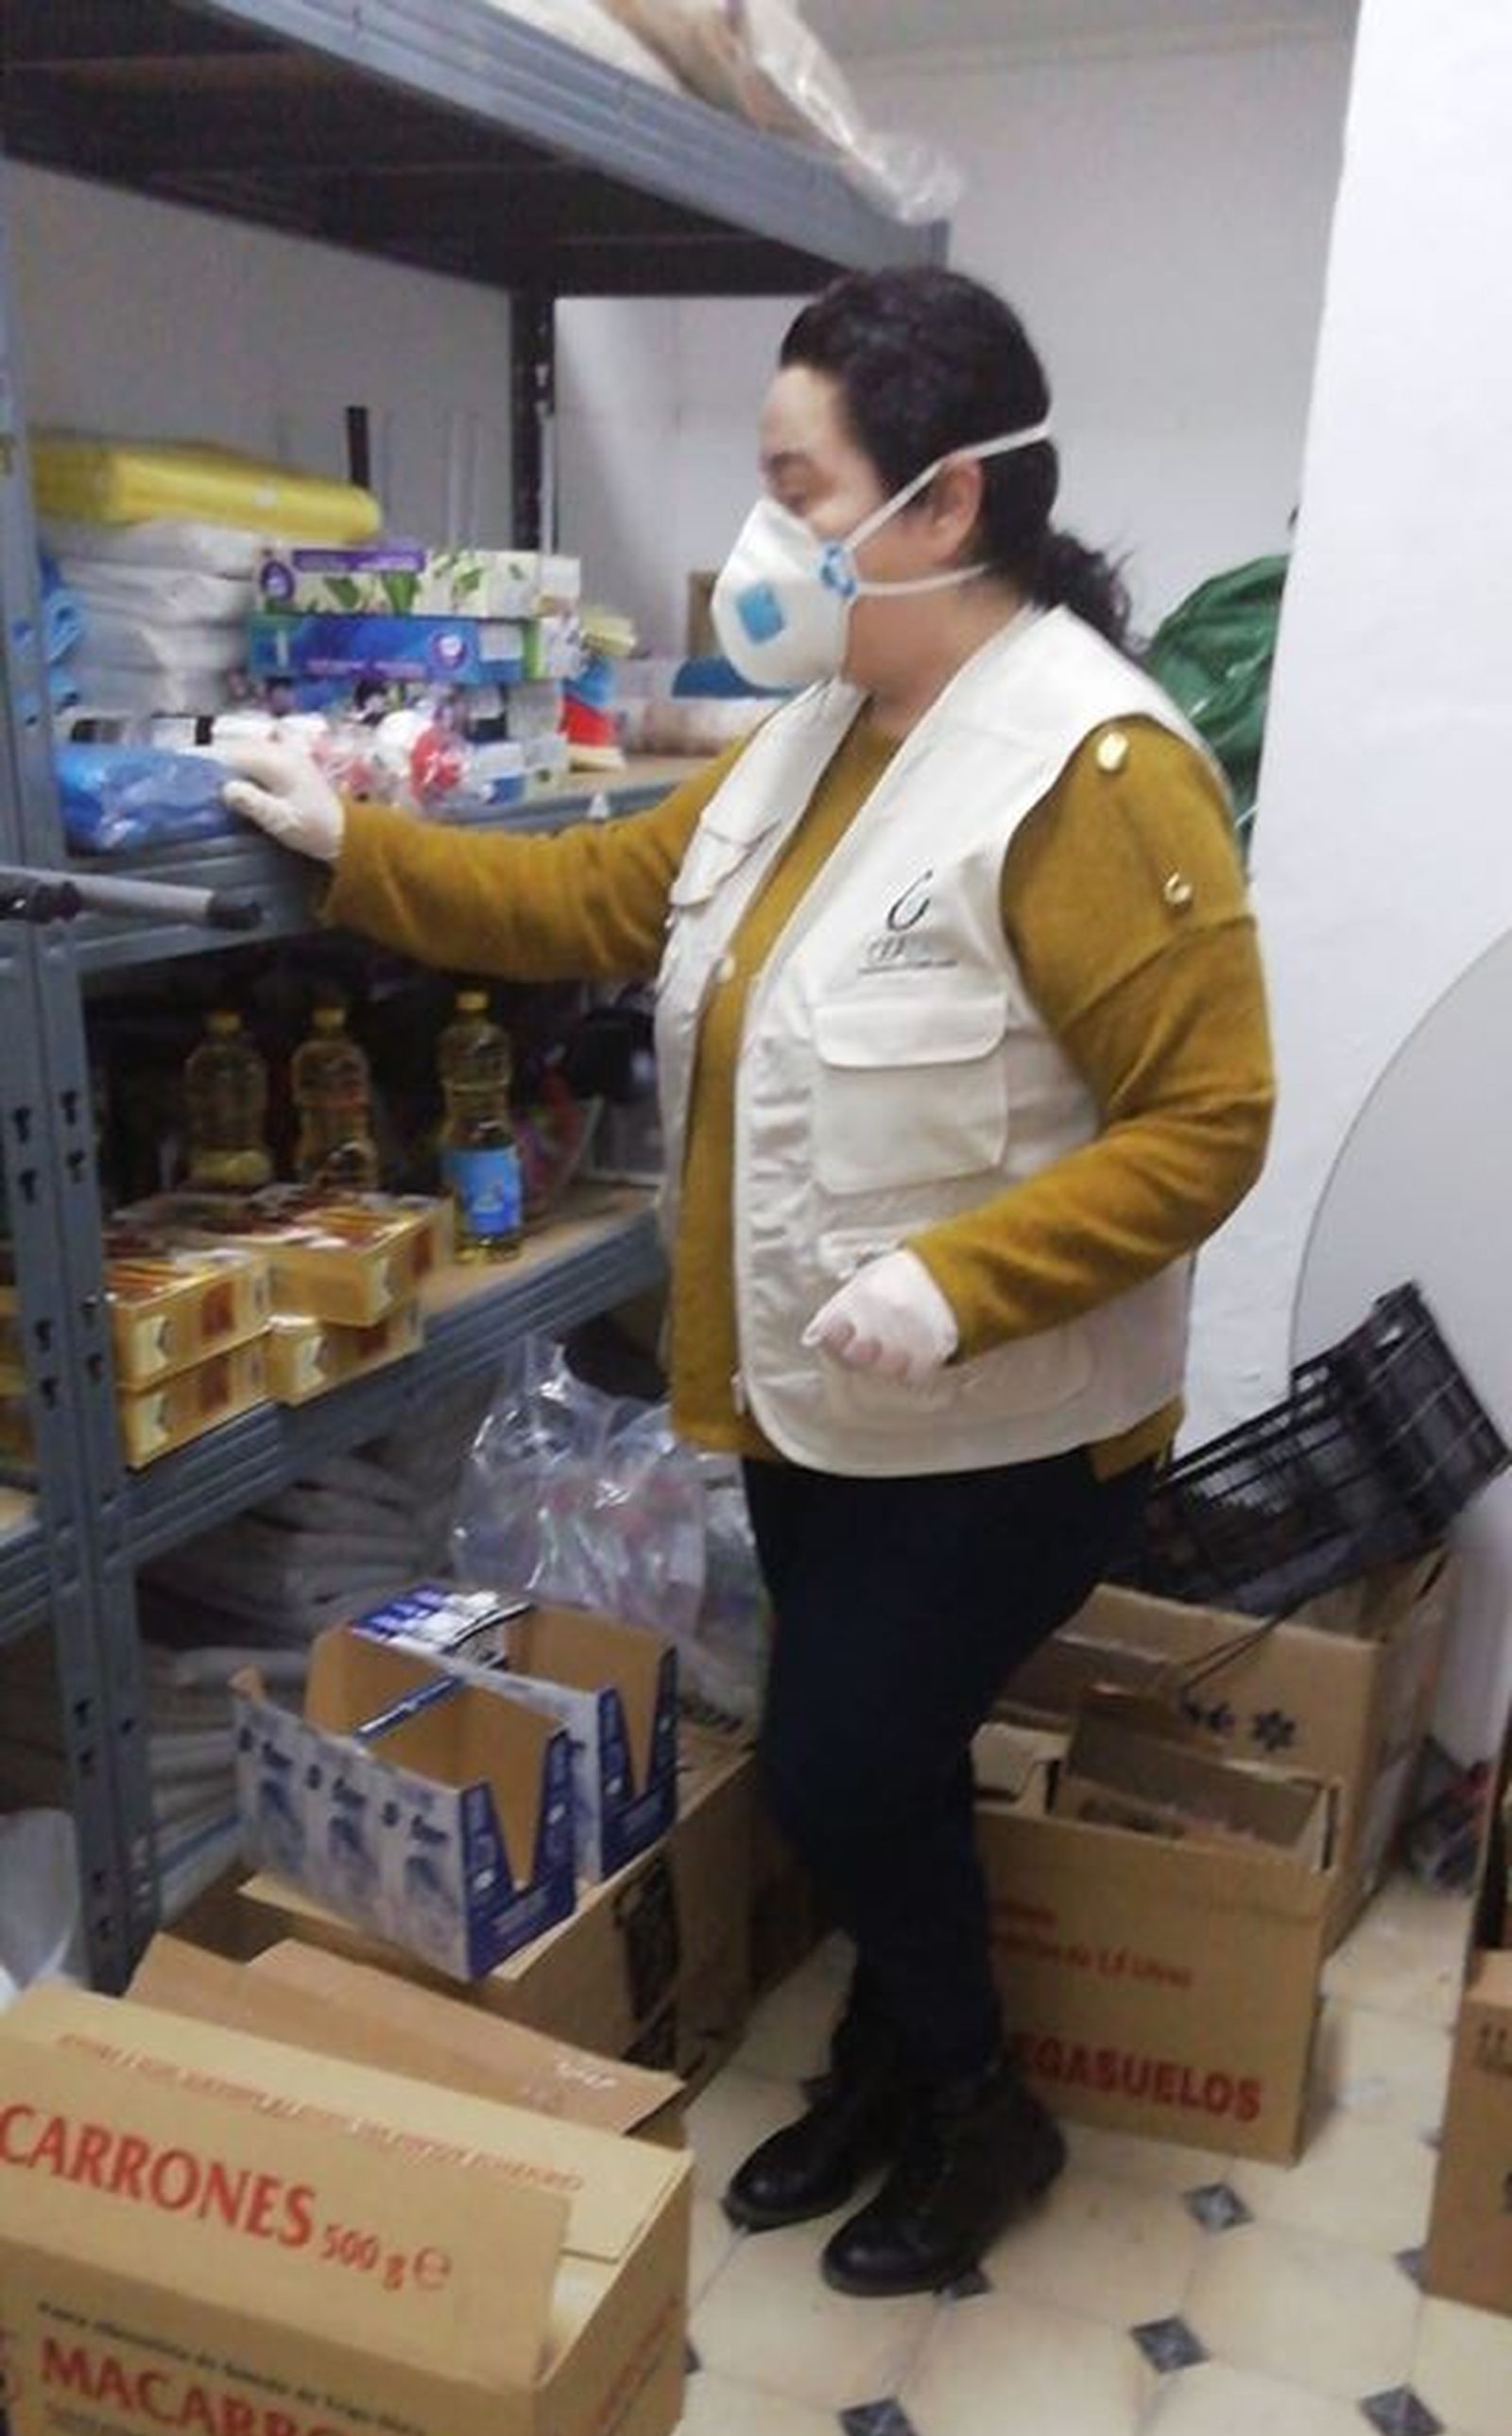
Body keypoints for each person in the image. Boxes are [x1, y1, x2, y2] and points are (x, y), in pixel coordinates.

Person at [225, 265, 1274, 2299]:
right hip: (817, 1406)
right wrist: (357, 848)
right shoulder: (822, 733)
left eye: (797, 487)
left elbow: (1204, 1120)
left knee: (837, 1765)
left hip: (1002, 1428)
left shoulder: (1086, 769)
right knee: (863, 1761)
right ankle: (895, 2048)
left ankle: (981, 2104)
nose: (759, 538)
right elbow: (605, 889)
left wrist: (963, 1282)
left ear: (940, 504)